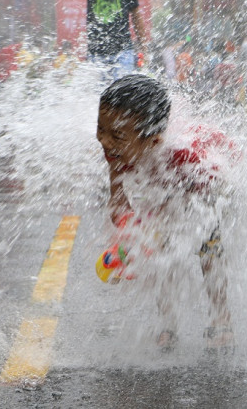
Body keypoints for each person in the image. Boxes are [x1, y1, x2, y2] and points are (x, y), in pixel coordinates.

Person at [96, 73, 236, 351]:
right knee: (158, 249)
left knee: (209, 248)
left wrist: (179, 220)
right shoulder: (117, 149)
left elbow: (219, 191)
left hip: (206, 186)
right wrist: (132, 240)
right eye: (100, 129)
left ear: (153, 141)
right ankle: (168, 324)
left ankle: (221, 318)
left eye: (116, 135)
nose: (105, 141)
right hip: (164, 183)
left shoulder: (186, 157)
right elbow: (118, 203)